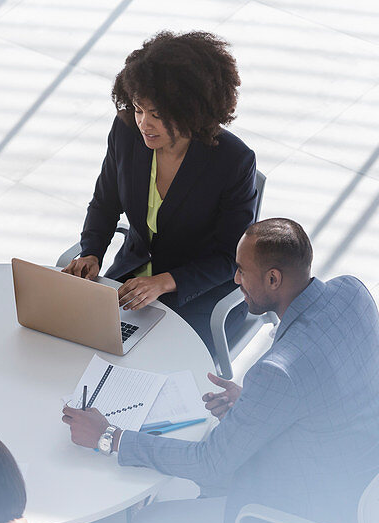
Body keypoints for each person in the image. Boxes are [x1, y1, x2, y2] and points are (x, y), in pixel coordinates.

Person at [61, 218, 379, 523]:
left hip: (312, 522)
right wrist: (264, 406)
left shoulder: (279, 372)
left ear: (274, 278)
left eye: (241, 271)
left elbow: (210, 462)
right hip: (368, 482)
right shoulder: (353, 293)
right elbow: (342, 377)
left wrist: (110, 436)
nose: (235, 279)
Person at [62, 31, 257, 353]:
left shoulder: (233, 161)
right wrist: (92, 251)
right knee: (83, 345)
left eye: (158, 115)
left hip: (197, 294)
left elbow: (229, 257)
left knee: (155, 364)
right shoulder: (125, 132)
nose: (144, 124)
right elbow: (104, 202)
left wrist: (165, 281)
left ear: (192, 112)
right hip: (131, 281)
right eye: (139, 109)